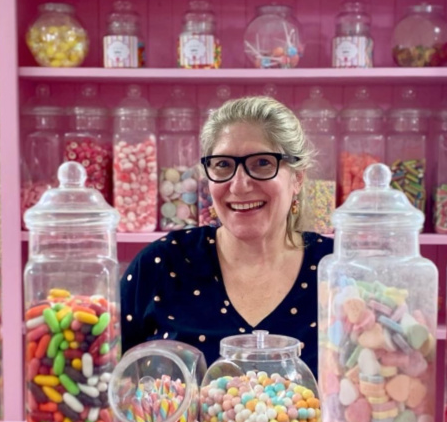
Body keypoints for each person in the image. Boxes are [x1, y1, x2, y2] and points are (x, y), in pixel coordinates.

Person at [120, 96, 333, 372]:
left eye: (262, 163)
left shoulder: (337, 270)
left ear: (298, 178)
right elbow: (104, 379)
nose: (239, 185)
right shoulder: (162, 265)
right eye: (222, 165)